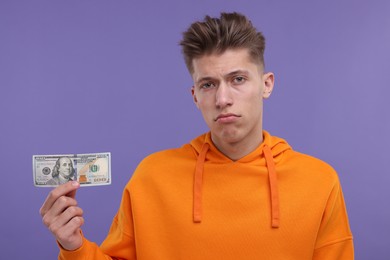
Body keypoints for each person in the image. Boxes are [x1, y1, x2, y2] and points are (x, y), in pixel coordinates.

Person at [39, 12, 354, 259]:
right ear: (194, 95)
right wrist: (73, 247)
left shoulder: (319, 181)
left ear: (267, 84)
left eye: (238, 79)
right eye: (208, 84)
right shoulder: (152, 176)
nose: (222, 98)